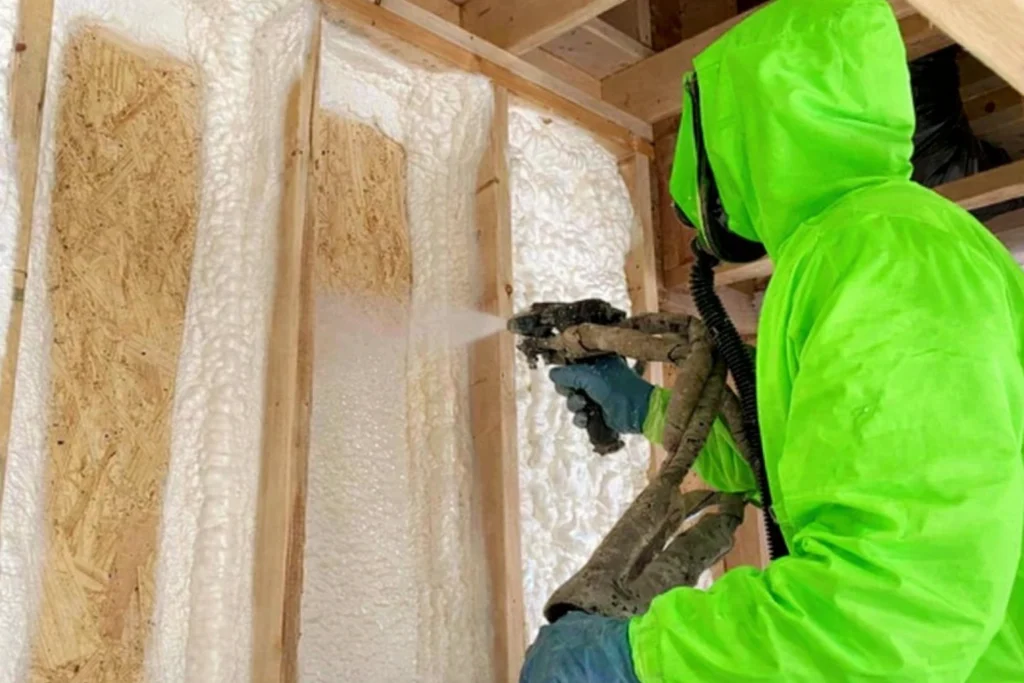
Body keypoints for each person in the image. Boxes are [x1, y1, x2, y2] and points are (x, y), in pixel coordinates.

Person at [519, 0, 1024, 680]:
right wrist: (644, 408)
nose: (690, 208)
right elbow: (800, 458)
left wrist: (642, 659)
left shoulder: (888, 254)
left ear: (742, 131)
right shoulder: (851, 246)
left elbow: (896, 608)